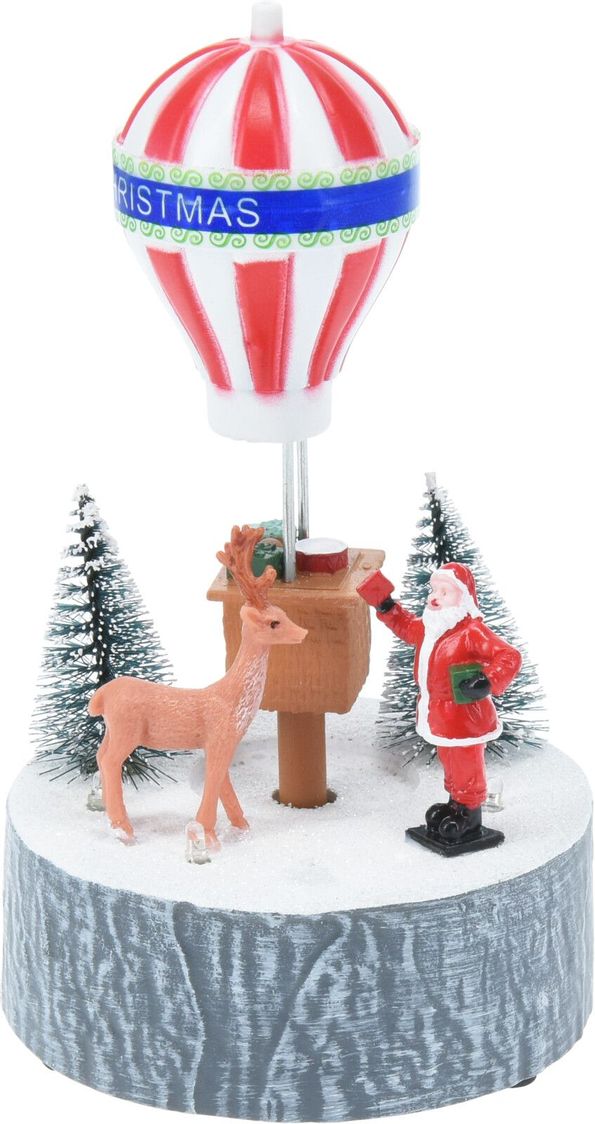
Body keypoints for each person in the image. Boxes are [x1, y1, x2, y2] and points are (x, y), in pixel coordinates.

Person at [358, 562, 522, 851]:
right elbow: (406, 626)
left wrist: (487, 680)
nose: (435, 597)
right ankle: (456, 805)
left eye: (445, 592)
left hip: (465, 718)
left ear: (463, 597)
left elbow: (509, 656)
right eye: (434, 590)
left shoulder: (472, 632)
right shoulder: (430, 628)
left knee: (466, 763)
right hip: (440, 716)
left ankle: (470, 817)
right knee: (450, 761)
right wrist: (386, 606)